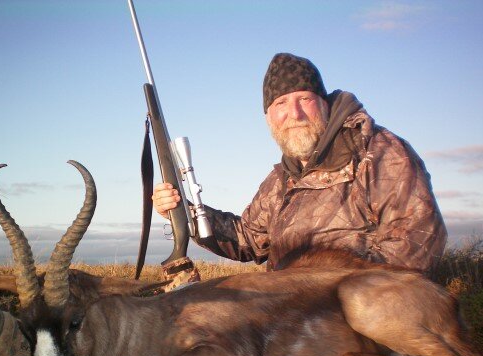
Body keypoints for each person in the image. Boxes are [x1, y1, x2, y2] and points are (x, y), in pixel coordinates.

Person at [153, 53, 447, 273]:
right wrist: (183, 211)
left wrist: (334, 296)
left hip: (359, 315)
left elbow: (417, 240)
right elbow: (248, 240)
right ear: (268, 117)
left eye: (304, 99)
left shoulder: (379, 151)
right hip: (291, 315)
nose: (294, 113)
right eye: (280, 104)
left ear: (324, 104)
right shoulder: (282, 179)